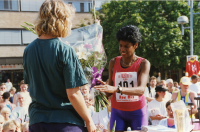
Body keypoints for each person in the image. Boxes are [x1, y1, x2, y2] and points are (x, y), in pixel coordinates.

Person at [23, 1, 96, 132]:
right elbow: (73, 94)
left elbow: (31, 86)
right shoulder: (65, 50)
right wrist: (89, 120)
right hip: (65, 122)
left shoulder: (28, 50)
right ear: (62, 20)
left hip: (37, 121)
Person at [95, 25, 150, 131]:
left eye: (126, 46)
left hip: (137, 112)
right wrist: (101, 89)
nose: (122, 49)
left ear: (136, 45)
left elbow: (141, 90)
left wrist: (116, 89)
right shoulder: (113, 62)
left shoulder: (143, 63)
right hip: (118, 112)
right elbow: (109, 92)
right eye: (120, 46)